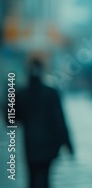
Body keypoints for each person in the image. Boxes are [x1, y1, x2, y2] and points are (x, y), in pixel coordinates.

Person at [17, 58, 74, 188]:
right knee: (45, 178)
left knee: (31, 177)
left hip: (30, 144)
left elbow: (11, 120)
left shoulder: (21, 94)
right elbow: (60, 120)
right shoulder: (51, 93)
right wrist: (68, 144)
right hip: (49, 145)